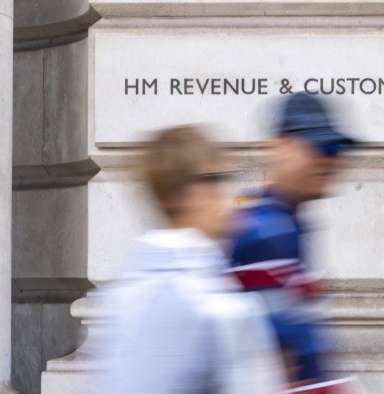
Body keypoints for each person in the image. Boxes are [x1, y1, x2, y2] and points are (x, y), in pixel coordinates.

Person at [97, 125, 284, 393]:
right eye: (215, 179)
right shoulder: (215, 307)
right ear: (174, 195)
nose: (226, 193)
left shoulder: (121, 297)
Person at [229, 93, 356, 390]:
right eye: (317, 146)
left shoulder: (285, 223)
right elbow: (284, 353)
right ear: (277, 147)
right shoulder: (265, 232)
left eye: (335, 148)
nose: (328, 159)